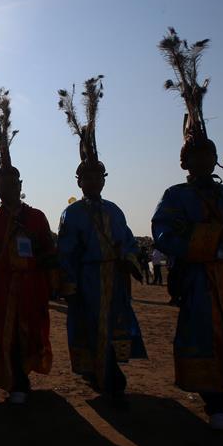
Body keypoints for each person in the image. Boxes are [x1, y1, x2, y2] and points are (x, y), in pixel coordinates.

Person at [151, 28, 223, 431]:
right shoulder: (175, 195)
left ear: (216, 159)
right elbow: (164, 234)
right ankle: (213, 399)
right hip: (199, 281)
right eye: (196, 158)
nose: (203, 164)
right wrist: (216, 238)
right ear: (185, 163)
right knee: (203, 336)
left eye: (209, 157)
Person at [56, 76, 146, 405]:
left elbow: (128, 242)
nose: (93, 181)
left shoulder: (115, 210)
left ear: (103, 179)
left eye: (98, 176)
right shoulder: (73, 213)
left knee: (114, 327)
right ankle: (103, 375)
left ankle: (108, 372)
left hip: (114, 279)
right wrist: (70, 284)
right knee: (89, 327)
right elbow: (65, 252)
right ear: (78, 181)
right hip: (88, 279)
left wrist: (131, 262)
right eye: (87, 177)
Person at [0, 87, 54, 405]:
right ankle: (12, 383)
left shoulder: (36, 217)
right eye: (1, 183)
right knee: (2, 337)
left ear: (20, 186)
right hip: (0, 288)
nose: (7, 188)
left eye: (13, 183)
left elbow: (49, 253)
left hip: (29, 287)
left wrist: (51, 284)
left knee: (28, 335)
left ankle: (22, 383)